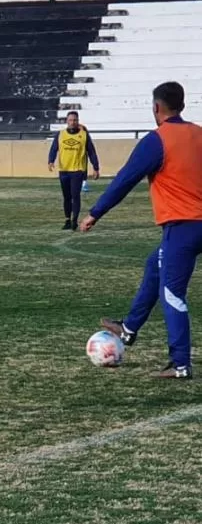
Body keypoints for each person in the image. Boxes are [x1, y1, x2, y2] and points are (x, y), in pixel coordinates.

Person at [80, 81, 202, 379]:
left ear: (156, 107)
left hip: (184, 226)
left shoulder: (157, 140)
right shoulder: (199, 133)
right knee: (155, 264)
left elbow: (125, 179)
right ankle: (129, 328)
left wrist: (96, 212)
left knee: (172, 294)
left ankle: (180, 364)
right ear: (182, 105)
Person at [48, 111, 100, 230]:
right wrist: (51, 161)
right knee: (66, 196)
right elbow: (54, 148)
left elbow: (91, 152)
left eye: (75, 120)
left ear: (78, 121)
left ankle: (74, 221)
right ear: (67, 121)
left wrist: (96, 167)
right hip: (64, 170)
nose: (72, 122)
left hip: (77, 170)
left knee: (75, 195)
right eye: (70, 120)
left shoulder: (84, 135)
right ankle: (67, 219)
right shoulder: (60, 134)